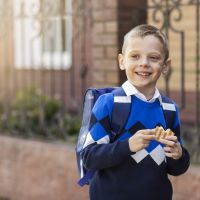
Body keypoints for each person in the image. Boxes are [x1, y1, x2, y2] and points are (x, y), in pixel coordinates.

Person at [80, 24, 190, 200]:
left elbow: (177, 169)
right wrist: (128, 145)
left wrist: (178, 154)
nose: (144, 63)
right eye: (135, 56)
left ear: (165, 65)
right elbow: (90, 157)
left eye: (153, 57)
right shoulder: (109, 103)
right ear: (122, 61)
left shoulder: (169, 109)